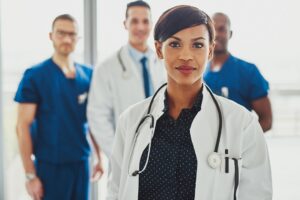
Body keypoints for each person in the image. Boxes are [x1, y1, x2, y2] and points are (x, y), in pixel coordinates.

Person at [107, 5, 272, 200]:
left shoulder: (243, 124)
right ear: (159, 50)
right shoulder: (130, 121)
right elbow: (115, 192)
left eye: (198, 45)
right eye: (175, 44)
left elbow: (257, 194)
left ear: (210, 50)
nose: (186, 56)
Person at [15, 14, 103, 200]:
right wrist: (30, 175)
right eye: (61, 33)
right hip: (50, 167)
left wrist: (99, 157)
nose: (66, 39)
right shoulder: (35, 76)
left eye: (72, 34)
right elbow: (22, 126)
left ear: (78, 38)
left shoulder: (89, 75)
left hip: (81, 164)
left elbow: (94, 120)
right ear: (51, 36)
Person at [87, 0, 165, 157]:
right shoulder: (106, 68)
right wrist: (119, 155)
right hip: (126, 154)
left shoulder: (164, 64)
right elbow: (97, 116)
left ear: (151, 24)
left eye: (145, 21)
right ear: (125, 24)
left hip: (163, 150)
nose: (140, 27)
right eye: (134, 21)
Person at [204, 12, 272, 132]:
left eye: (221, 29)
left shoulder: (248, 71)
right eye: (212, 30)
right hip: (206, 148)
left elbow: (267, 120)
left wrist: (241, 141)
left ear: (230, 34)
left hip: (239, 149)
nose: (217, 35)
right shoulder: (198, 73)